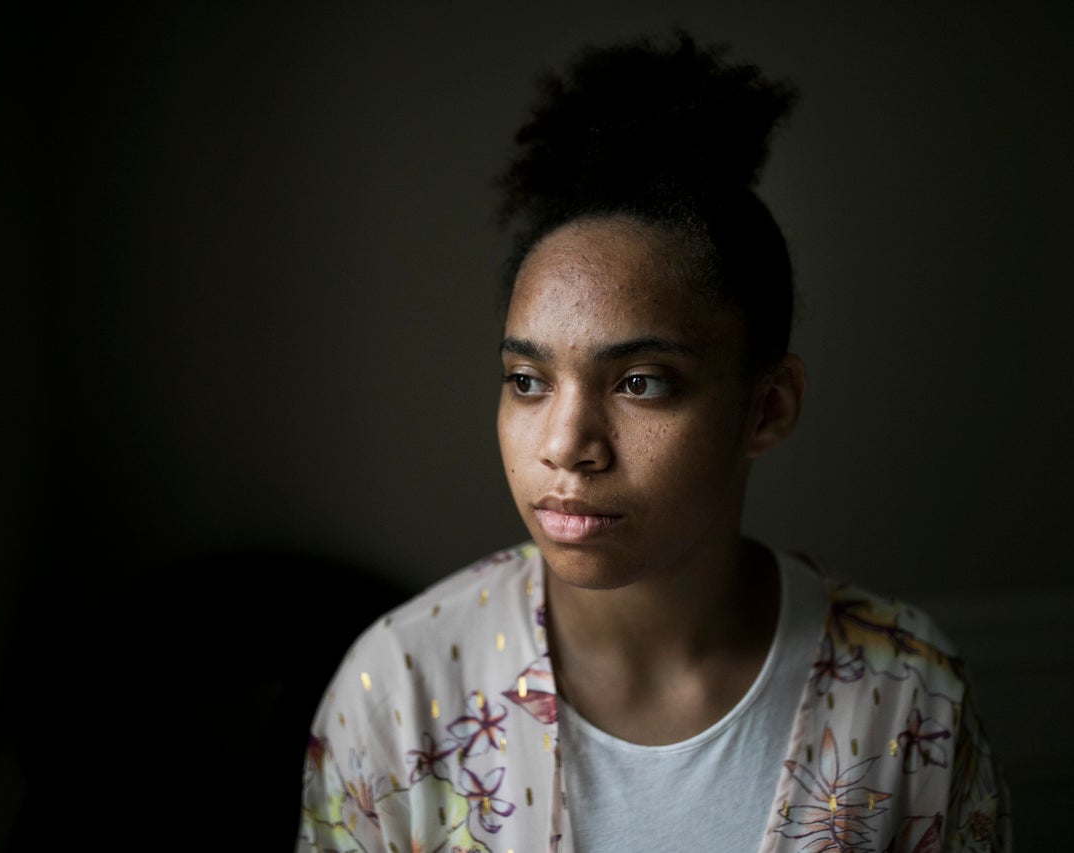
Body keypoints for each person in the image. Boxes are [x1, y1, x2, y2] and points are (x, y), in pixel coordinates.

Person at [297, 32, 1009, 853]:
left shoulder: (907, 700)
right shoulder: (398, 687)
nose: (567, 445)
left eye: (641, 381)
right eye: (528, 380)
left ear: (767, 408)